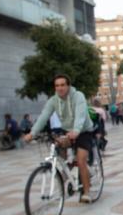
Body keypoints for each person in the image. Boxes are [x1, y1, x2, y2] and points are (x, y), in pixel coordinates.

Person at [23, 74, 96, 203]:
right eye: (57, 85)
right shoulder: (53, 101)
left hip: (84, 131)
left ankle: (86, 192)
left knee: (80, 160)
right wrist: (32, 133)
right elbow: (43, 116)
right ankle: (66, 173)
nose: (60, 88)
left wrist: (76, 131)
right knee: (58, 151)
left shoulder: (78, 96)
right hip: (67, 131)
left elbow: (80, 115)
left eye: (62, 85)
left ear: (68, 85)